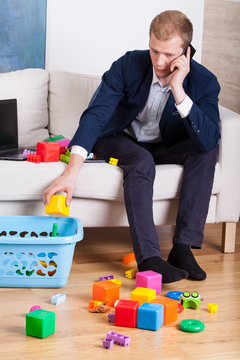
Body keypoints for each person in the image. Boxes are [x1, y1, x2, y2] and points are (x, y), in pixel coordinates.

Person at [43, 10, 220, 283]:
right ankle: (149, 259)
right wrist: (71, 171)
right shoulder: (128, 64)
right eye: (154, 51)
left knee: (205, 149)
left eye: (169, 55)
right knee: (140, 161)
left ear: (186, 52)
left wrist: (179, 90)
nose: (160, 62)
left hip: (165, 145)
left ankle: (183, 248)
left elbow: (209, 138)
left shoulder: (204, 82)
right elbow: (97, 114)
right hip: (120, 139)